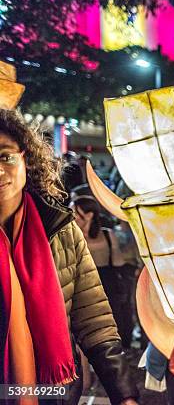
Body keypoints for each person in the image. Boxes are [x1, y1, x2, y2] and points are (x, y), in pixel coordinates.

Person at [0, 109, 138, 404]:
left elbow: (94, 319)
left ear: (25, 158)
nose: (0, 171)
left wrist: (124, 394)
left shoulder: (61, 229)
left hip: (55, 391)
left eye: (5, 156)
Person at [71, 192, 134, 350]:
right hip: (84, 283)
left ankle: (115, 351)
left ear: (89, 215)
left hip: (107, 283)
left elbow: (118, 262)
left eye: (75, 213)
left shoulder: (107, 233)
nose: (72, 217)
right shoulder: (72, 236)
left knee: (111, 321)